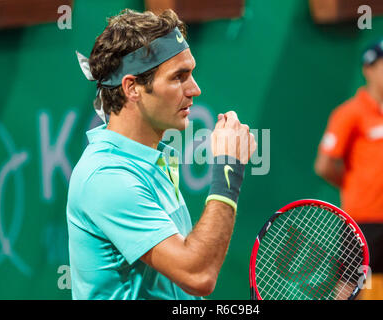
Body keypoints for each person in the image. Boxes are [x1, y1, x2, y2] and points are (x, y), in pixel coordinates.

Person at [67, 9, 256, 300]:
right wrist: (228, 169)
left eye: (190, 74)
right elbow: (198, 274)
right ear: (133, 88)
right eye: (179, 77)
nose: (195, 89)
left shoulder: (152, 160)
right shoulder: (108, 179)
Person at [314, 38, 383, 300]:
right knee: (350, 291)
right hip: (362, 222)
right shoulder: (349, 113)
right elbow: (324, 165)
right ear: (369, 69)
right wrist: (357, 185)